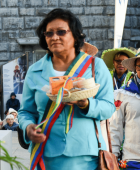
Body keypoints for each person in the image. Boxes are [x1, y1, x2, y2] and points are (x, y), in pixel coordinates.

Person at [18, 8, 115, 169]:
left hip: (86, 156)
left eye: (61, 32)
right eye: (49, 33)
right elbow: (26, 111)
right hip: (46, 153)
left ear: (76, 36)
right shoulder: (35, 71)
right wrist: (28, 127)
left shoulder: (94, 66)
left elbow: (108, 107)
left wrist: (86, 104)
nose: (54, 37)